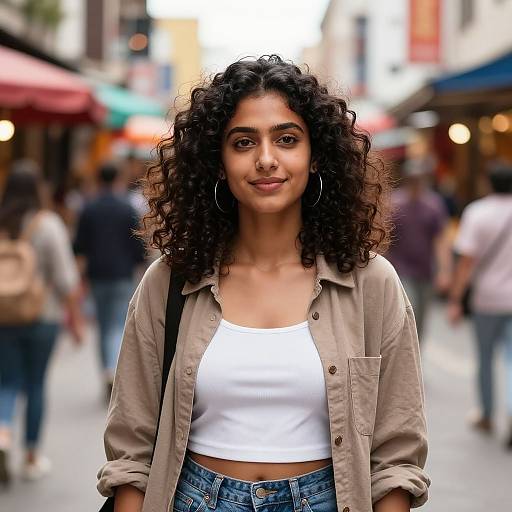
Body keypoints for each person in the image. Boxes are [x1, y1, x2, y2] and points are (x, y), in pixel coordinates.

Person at [97, 55, 430, 512]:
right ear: (217, 162)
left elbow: (397, 454)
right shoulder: (172, 281)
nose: (266, 159)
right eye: (243, 142)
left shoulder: (371, 283)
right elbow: (131, 450)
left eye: (287, 139)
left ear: (316, 157)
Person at [0, 160, 83, 484]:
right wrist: (74, 319)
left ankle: (3, 436)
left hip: (3, 315)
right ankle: (32, 456)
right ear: (38, 189)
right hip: (42, 315)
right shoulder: (47, 225)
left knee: (6, 381)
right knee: (35, 384)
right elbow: (65, 279)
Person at [448, 160, 512, 449]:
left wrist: (456, 299)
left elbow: (466, 262)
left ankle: (487, 415)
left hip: (487, 300)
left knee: (485, 359)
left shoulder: (477, 213)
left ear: (489, 182)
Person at [74, 162, 146, 401]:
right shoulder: (126, 208)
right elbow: (138, 244)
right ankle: (112, 370)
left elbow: (79, 245)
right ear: (116, 179)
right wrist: (139, 265)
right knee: (117, 324)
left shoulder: (89, 208)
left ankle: (107, 369)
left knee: (104, 324)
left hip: (97, 274)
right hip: (122, 273)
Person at [387, 157, 450, 341]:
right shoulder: (394, 203)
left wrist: (445, 271)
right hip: (401, 270)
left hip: (425, 272)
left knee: (421, 319)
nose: (416, 182)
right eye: (412, 178)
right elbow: (384, 239)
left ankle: (415, 356)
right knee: (408, 311)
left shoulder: (434, 204)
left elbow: (441, 239)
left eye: (419, 178)